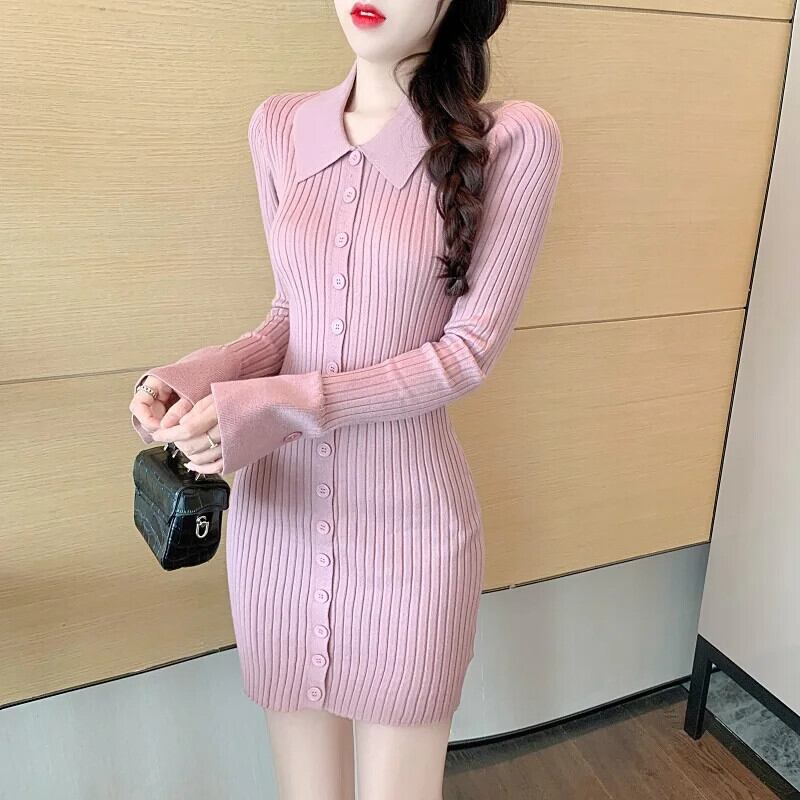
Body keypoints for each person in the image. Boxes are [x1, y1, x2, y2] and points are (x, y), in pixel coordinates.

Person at [129, 0, 563, 797]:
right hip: (279, 524)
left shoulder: (512, 139)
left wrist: (280, 406)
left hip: (410, 531)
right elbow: (288, 318)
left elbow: (466, 354)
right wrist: (192, 377)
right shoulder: (278, 127)